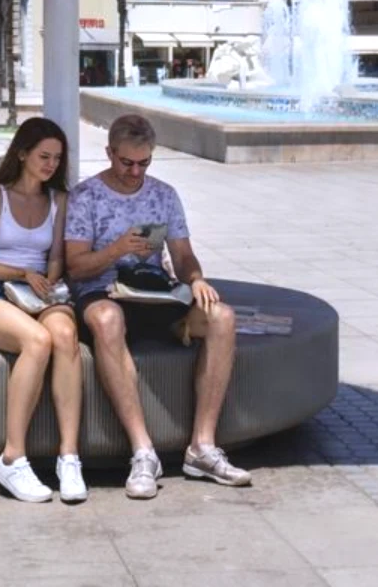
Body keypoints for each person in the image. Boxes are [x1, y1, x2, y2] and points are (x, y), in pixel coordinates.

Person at [64, 113, 252, 499]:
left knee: (222, 317)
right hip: (104, 291)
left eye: (144, 163)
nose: (135, 172)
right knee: (107, 318)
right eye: (126, 163)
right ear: (109, 153)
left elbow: (182, 256)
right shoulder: (86, 197)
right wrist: (116, 250)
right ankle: (143, 451)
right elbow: (75, 267)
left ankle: (202, 446)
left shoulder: (163, 195)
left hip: (155, 292)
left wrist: (196, 279)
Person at [0, 118, 86, 504]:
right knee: (37, 340)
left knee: (64, 335)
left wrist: (47, 279)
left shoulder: (59, 199)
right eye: (43, 156)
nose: (50, 164)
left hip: (40, 289)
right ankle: (12, 457)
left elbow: (58, 257)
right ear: (23, 153)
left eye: (57, 158)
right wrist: (21, 274)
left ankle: (69, 456)